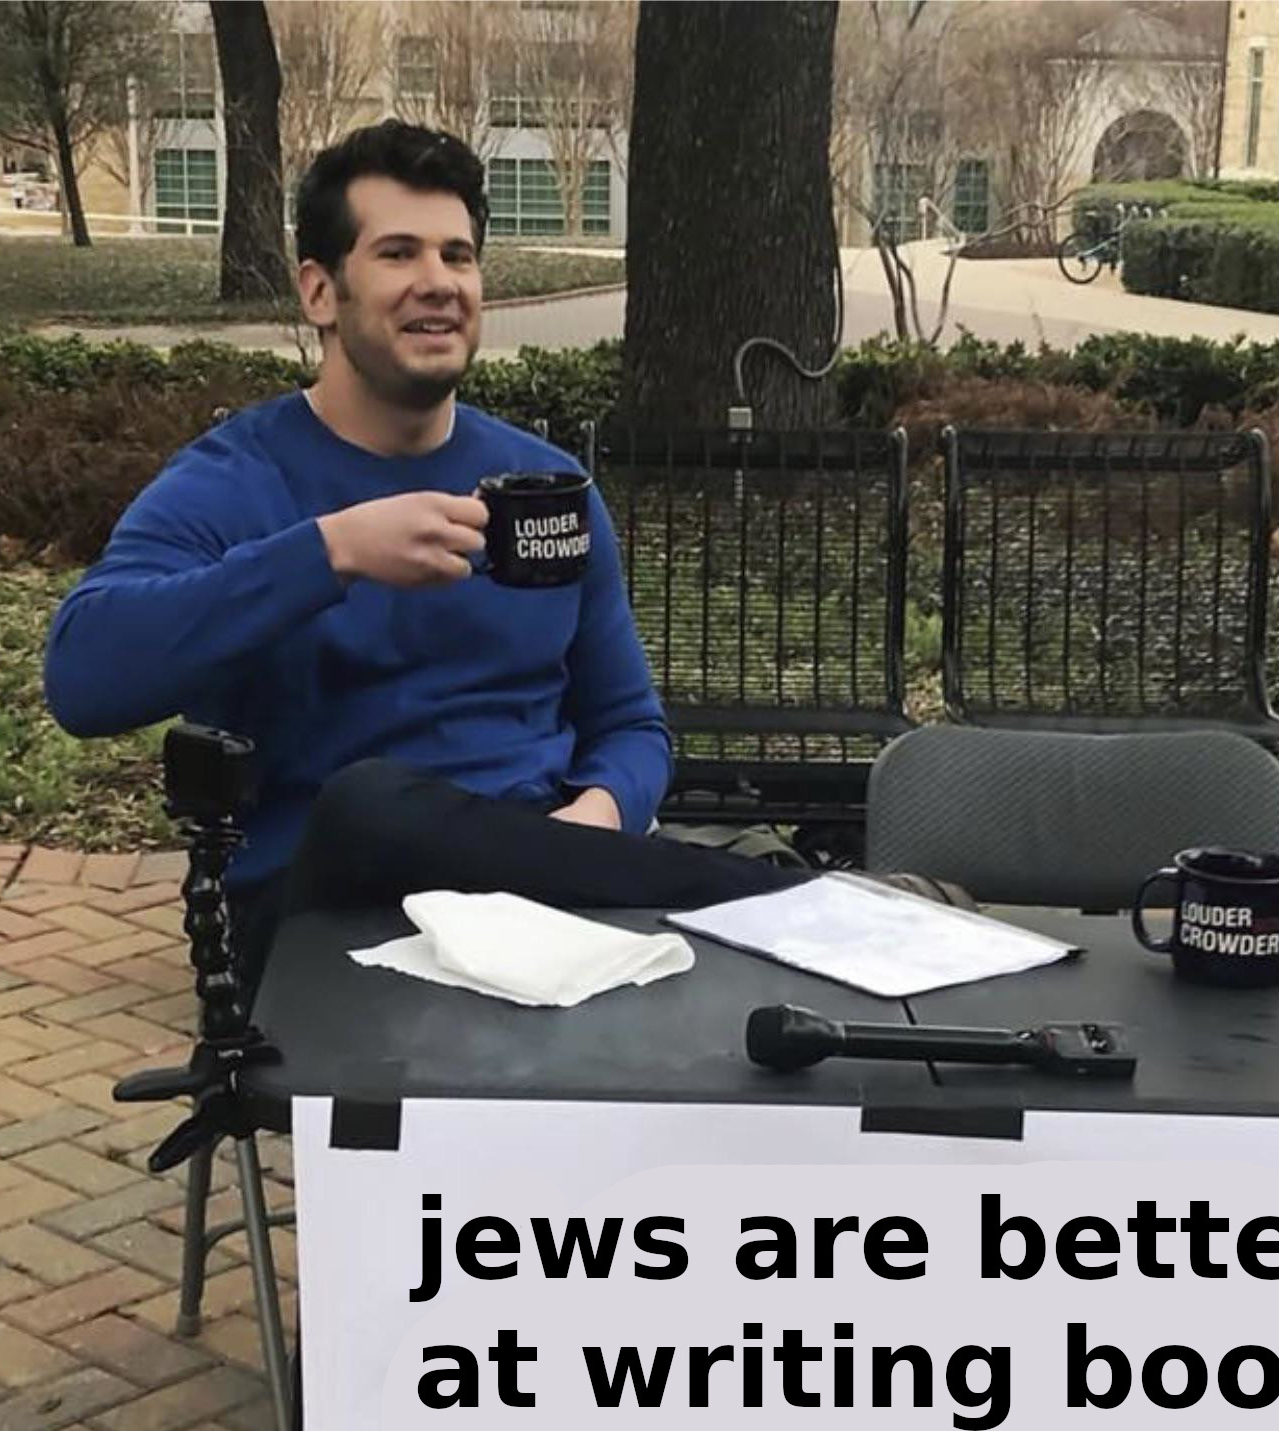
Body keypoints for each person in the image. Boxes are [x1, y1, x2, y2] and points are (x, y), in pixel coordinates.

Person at [44, 121, 796, 993]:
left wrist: (595, 823)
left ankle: (810, 920)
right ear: (320, 292)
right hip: (329, 919)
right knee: (369, 804)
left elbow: (629, 725)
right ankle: (797, 903)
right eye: (399, 254)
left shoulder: (548, 492)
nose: (438, 282)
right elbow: (84, 677)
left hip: (550, 901)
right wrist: (333, 551)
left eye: (458, 256)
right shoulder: (235, 483)